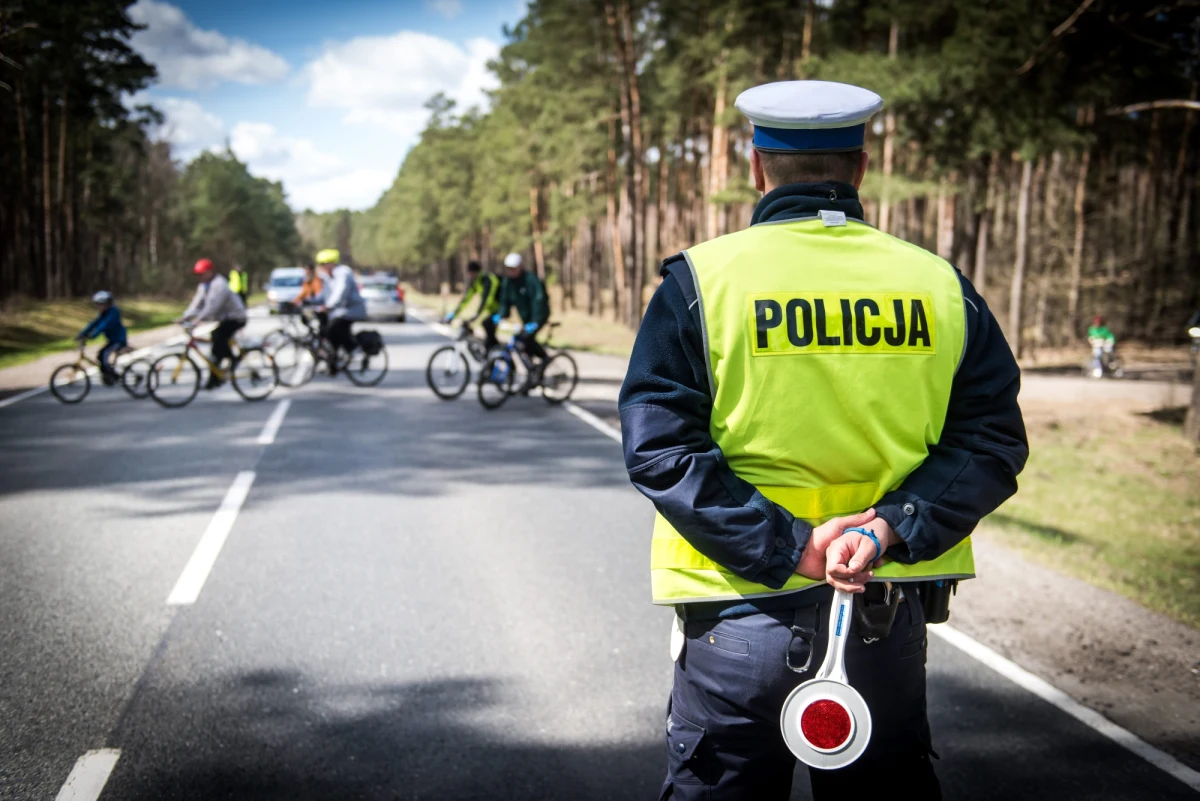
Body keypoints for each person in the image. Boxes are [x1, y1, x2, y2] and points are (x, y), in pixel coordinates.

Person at [618, 80, 1028, 801]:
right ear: (862, 167)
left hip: (736, 617)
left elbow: (661, 448)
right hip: (881, 612)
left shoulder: (701, 282)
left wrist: (791, 546)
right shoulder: (939, 285)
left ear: (755, 165)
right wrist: (887, 526)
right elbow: (992, 438)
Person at [180, 258, 248, 389]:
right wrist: (184, 317)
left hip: (236, 317)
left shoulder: (219, 285)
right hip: (222, 319)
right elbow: (196, 303)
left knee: (218, 336)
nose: (200, 277)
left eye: (202, 273)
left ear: (210, 272)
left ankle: (234, 359)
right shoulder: (203, 285)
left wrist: (197, 321)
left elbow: (212, 308)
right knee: (215, 351)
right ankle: (214, 380)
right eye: (198, 274)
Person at [492, 252, 550, 373]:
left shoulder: (531, 279)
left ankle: (545, 359)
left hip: (539, 315)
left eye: (513, 268)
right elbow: (505, 301)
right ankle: (532, 372)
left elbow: (539, 300)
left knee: (525, 339)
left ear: (520, 267)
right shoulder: (508, 282)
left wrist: (536, 321)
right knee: (521, 342)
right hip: (526, 318)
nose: (511, 271)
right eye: (508, 269)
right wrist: (501, 315)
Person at [314, 248, 366, 374]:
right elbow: (323, 296)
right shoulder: (328, 277)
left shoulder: (343, 273)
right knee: (327, 332)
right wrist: (308, 302)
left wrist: (328, 306)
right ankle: (333, 364)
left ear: (331, 263)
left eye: (324, 265)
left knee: (334, 329)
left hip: (352, 310)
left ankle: (354, 350)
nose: (322, 268)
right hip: (340, 311)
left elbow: (340, 292)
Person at [445, 260, 501, 350]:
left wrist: (476, 315)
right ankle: (488, 352)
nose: (470, 275)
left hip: (500, 309)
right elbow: (466, 299)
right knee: (480, 329)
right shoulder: (476, 282)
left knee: (487, 325)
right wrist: (454, 314)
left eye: (471, 273)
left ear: (476, 272)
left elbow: (487, 300)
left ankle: (498, 353)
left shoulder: (488, 279)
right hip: (490, 310)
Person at [76, 291, 127, 386]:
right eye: (98, 305)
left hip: (118, 340)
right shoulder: (104, 313)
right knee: (100, 355)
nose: (99, 307)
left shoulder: (113, 312)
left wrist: (93, 335)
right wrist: (82, 333)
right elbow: (94, 323)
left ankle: (111, 375)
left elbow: (104, 325)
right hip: (112, 340)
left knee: (104, 354)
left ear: (107, 304)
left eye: (101, 304)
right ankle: (108, 374)